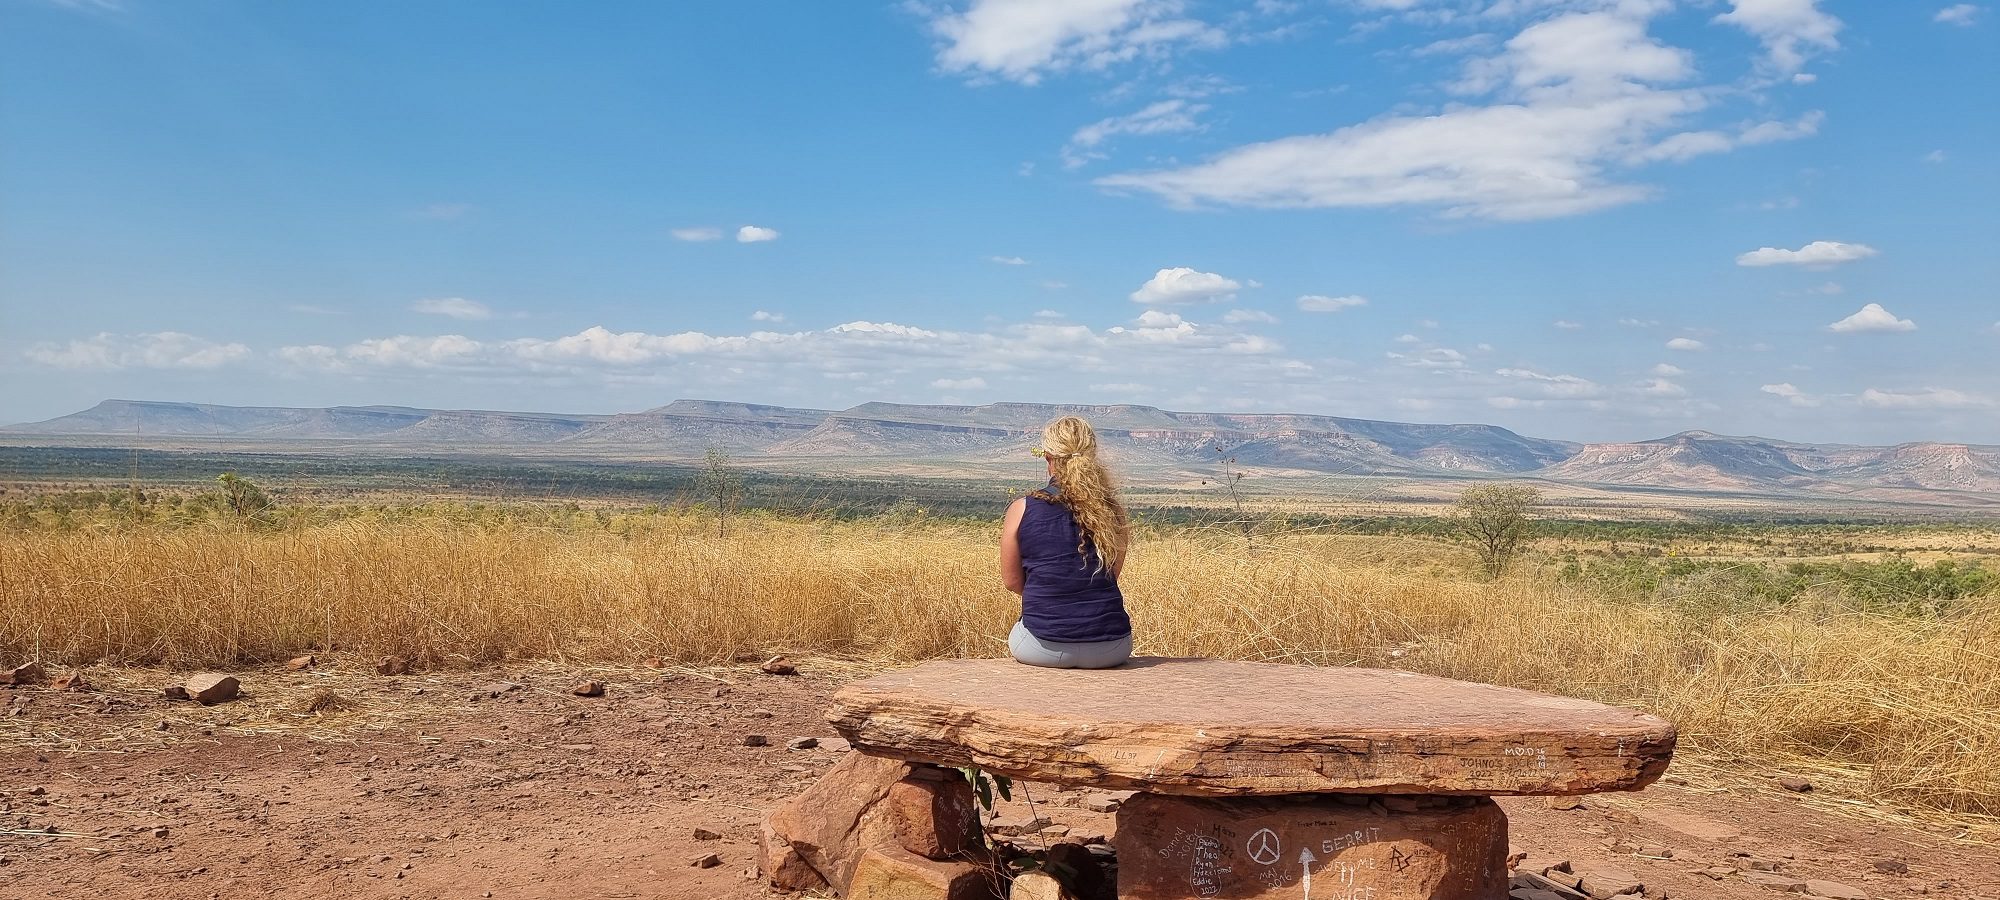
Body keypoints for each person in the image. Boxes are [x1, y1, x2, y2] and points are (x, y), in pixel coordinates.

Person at [998, 416, 1134, 669]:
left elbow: (1012, 582)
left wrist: (1049, 591)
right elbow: (1111, 575)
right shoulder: (1112, 510)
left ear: (1048, 457)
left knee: (1018, 632)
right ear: (1092, 456)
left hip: (1041, 647)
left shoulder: (1021, 508)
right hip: (1113, 648)